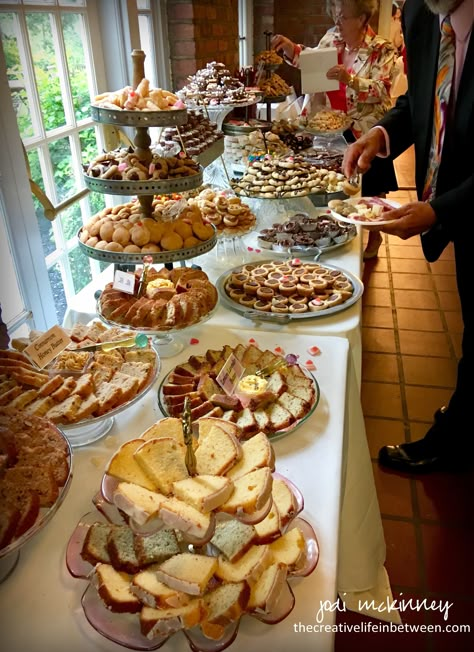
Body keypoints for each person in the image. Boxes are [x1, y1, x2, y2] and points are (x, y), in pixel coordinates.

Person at [343, 0, 474, 473]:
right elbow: (422, 99)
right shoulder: (422, 13)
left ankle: (456, 438)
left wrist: (439, 209)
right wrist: (380, 134)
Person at [271, 0, 399, 259]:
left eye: (343, 17)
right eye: (335, 15)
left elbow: (384, 90)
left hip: (364, 129)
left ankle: (375, 235)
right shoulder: (332, 37)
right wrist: (291, 48)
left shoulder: (381, 49)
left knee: (372, 186)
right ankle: (340, 230)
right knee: (338, 184)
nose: (337, 23)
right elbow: (313, 61)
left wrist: (350, 80)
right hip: (329, 127)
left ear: (363, 18)